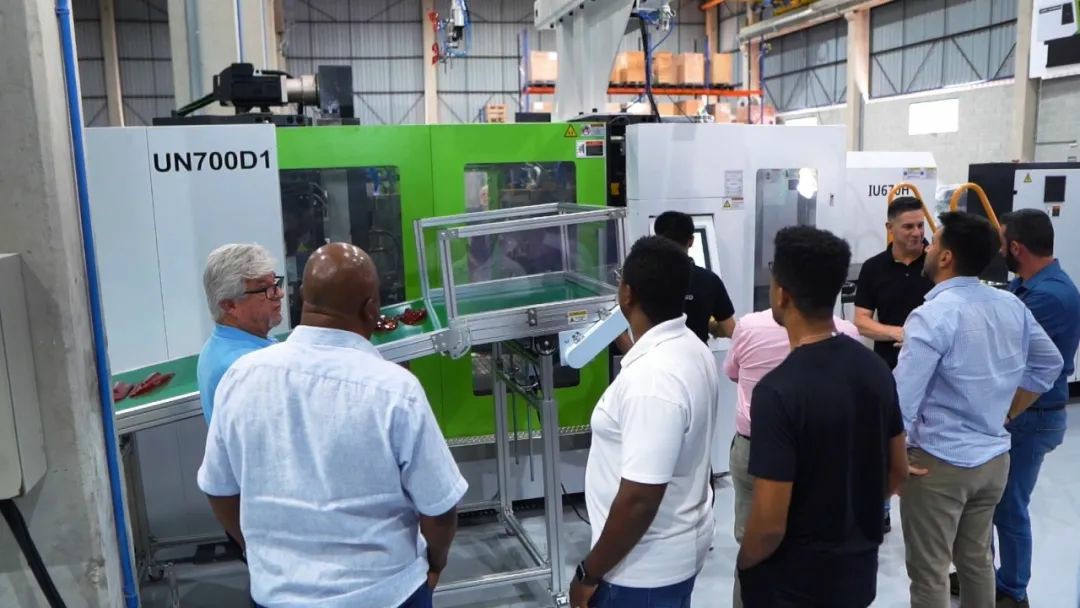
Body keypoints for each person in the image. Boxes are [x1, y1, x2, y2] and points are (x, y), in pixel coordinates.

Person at [197, 243, 468, 608]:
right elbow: (439, 508)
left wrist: (256, 551)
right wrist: (435, 564)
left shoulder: (240, 376)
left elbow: (218, 488)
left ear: (303, 299)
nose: (276, 295)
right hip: (385, 594)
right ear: (371, 310)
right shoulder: (395, 389)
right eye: (267, 290)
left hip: (278, 595)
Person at [895, 212, 1063, 608]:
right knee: (976, 560)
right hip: (993, 460)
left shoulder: (933, 315)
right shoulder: (1011, 305)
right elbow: (1049, 364)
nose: (926, 246)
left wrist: (894, 458)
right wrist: (1009, 412)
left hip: (938, 464)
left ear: (947, 257)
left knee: (931, 571)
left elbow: (901, 401)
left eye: (934, 242)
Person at [737, 226, 907, 608]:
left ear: (781, 293)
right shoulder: (875, 369)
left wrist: (745, 563)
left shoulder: (776, 392)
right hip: (857, 576)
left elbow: (769, 524)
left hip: (793, 586)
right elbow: (898, 470)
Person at [569, 236, 720, 608]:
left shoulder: (652, 382)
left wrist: (589, 572)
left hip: (638, 572)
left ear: (627, 293)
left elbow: (639, 500)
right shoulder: (690, 346)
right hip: (674, 551)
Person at [723, 308, 860, 608]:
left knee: (753, 544)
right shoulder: (847, 334)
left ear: (782, 291)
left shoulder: (749, 327)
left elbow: (732, 372)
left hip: (755, 448)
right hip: (820, 454)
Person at [992, 209, 1080, 608]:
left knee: (1010, 506)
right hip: (1020, 412)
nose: (999, 251)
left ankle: (1013, 591)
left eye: (1002, 244)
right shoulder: (1028, 286)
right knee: (993, 501)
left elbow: (1005, 349)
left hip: (1032, 415)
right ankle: (984, 572)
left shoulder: (1049, 297)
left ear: (1016, 248)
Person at [853, 196, 934, 531]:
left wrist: (920, 340)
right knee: (883, 441)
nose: (917, 233)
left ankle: (927, 508)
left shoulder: (937, 263)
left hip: (933, 372)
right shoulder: (874, 268)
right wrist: (900, 333)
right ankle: (882, 506)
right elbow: (861, 321)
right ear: (890, 228)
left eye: (920, 226)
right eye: (908, 227)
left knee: (926, 442)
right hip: (888, 369)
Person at [196, 243, 284, 422]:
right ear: (229, 305)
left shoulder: (225, 343)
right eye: (265, 289)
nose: (279, 293)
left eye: (275, 283)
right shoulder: (245, 369)